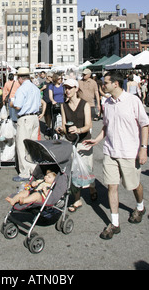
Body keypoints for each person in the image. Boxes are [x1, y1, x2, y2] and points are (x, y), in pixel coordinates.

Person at [83, 71, 149, 240]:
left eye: (105, 82)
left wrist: (143, 148)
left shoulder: (133, 101)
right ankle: (114, 223)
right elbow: (106, 126)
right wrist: (97, 140)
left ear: (116, 84)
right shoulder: (107, 102)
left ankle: (140, 206)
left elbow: (145, 125)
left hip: (129, 151)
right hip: (110, 151)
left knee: (134, 185)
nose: (103, 85)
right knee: (112, 186)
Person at [58, 78, 96, 211]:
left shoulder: (84, 104)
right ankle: (77, 200)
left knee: (87, 169)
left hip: (84, 141)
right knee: (74, 172)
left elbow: (89, 125)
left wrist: (78, 130)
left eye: (70, 88)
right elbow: (63, 124)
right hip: (70, 142)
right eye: (65, 88)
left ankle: (92, 187)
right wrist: (61, 129)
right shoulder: (63, 105)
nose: (67, 90)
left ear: (76, 89)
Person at [10, 67, 41, 182]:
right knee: (32, 145)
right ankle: (33, 169)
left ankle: (24, 173)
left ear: (20, 78)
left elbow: (18, 106)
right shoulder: (35, 88)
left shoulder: (22, 89)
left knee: (22, 145)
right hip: (34, 117)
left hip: (25, 119)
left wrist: (12, 104)